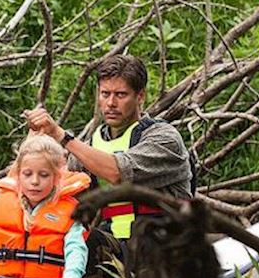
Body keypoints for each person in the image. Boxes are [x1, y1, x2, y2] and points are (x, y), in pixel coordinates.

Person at [24, 53, 192, 251]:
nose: (111, 103)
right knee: (67, 237)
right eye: (105, 94)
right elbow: (53, 187)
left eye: (121, 95)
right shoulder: (93, 146)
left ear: (140, 96)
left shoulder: (164, 139)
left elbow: (117, 172)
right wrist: (33, 141)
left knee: (90, 243)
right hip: (116, 244)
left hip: (165, 244)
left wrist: (61, 135)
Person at [0, 134, 90, 278]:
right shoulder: (4, 206)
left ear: (56, 177)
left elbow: (76, 249)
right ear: (18, 175)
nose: (35, 181)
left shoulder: (69, 211)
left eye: (44, 175)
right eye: (27, 174)